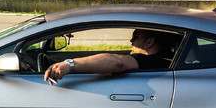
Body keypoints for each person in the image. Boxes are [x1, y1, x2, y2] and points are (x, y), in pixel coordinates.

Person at [44, 29, 173, 85]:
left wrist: (69, 65)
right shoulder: (167, 59)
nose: (131, 41)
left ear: (149, 42)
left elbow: (118, 62)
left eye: (135, 37)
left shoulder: (151, 61)